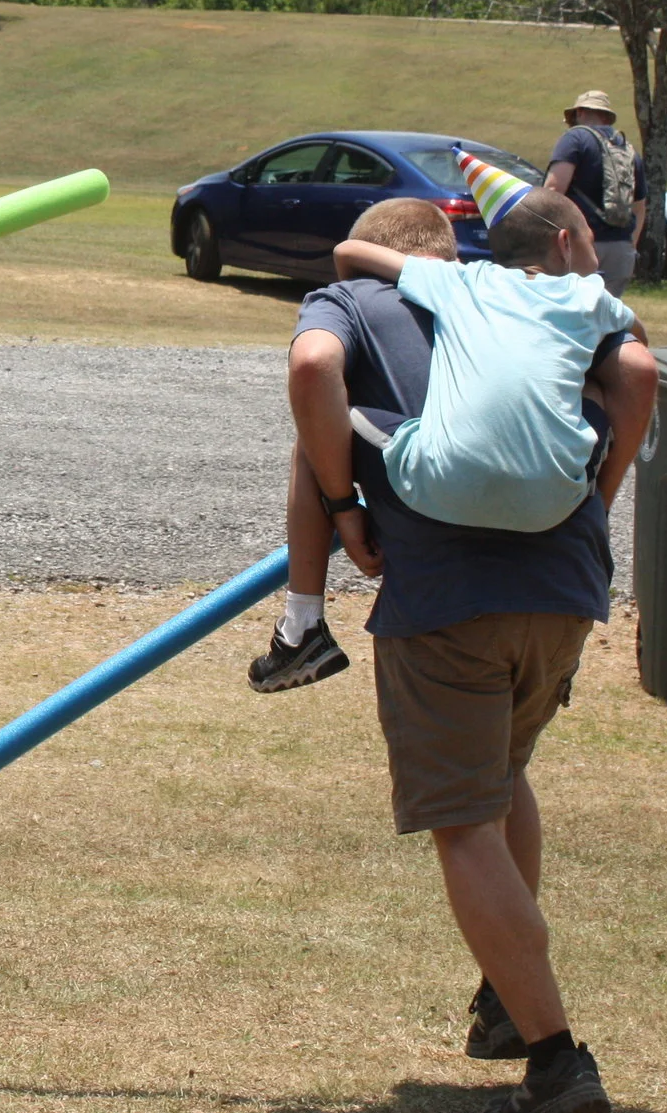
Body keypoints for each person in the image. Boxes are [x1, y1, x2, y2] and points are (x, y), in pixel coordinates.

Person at [285, 189, 657, 1113]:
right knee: (499, 778)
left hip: (448, 596)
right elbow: (640, 371)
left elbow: (312, 366)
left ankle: (557, 1055)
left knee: (460, 815)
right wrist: (601, 497)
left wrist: (341, 508)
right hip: (565, 587)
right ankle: (503, 999)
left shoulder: (365, 299)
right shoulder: (553, 301)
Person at [334, 178, 640, 538]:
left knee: (328, 408)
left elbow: (349, 250)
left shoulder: (461, 279)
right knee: (595, 391)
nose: (597, 255)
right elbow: (639, 347)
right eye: (590, 239)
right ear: (565, 243)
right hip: (551, 507)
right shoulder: (588, 294)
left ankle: (339, 515)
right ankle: (597, 504)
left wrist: (354, 297)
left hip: (437, 491)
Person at [248, 198, 454, 692]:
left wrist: (344, 507)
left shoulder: (350, 296)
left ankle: (302, 624)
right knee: (504, 763)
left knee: (317, 427)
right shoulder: (496, 297)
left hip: (434, 536)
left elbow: (313, 364)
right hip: (551, 552)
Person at [543, 90, 646, 296]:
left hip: (581, 246)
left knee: (571, 316)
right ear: (607, 117)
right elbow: (639, 207)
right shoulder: (628, 149)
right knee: (606, 319)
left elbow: (553, 190)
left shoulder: (575, 138)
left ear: (579, 112)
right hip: (621, 249)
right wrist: (629, 245)